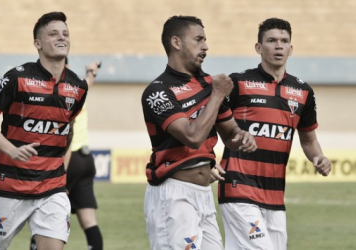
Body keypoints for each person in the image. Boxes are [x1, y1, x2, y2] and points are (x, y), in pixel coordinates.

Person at [141, 15, 257, 250]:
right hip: (173, 196)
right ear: (177, 42)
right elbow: (192, 137)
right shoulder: (158, 91)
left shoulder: (208, 84)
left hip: (203, 194)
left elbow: (230, 134)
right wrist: (217, 95)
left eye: (205, 40)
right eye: (199, 39)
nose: (205, 46)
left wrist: (242, 136)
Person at [0, 12, 88, 250]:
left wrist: (61, 169)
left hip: (51, 187)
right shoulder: (17, 77)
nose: (62, 38)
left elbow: (67, 131)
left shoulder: (78, 87)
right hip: (9, 187)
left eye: (66, 34)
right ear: (37, 43)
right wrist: (11, 150)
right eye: (53, 33)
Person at [218, 17, 332, 250]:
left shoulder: (303, 92)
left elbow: (309, 139)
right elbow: (211, 122)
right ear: (259, 48)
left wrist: (318, 157)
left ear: (291, 48)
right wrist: (208, 159)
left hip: (275, 196)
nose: (278, 45)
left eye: (284, 41)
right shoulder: (239, 82)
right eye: (271, 40)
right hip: (238, 187)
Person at [29, 58, 103, 250]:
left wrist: (61, 173)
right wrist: (92, 71)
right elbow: (88, 82)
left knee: (42, 219)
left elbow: (66, 139)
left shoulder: (60, 93)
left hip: (68, 160)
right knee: (89, 221)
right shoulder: (79, 89)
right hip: (86, 160)